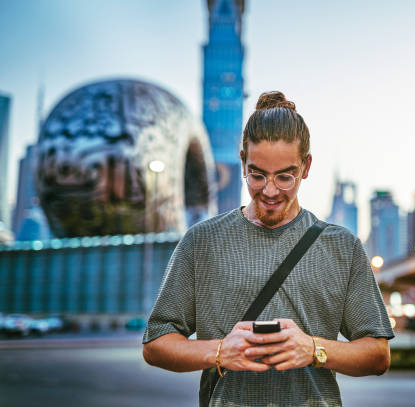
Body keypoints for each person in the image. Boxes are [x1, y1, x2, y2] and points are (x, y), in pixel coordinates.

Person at [142, 91, 394, 406]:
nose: (270, 191)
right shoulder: (201, 241)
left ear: (306, 166)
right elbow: (155, 345)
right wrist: (220, 351)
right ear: (242, 162)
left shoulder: (343, 246)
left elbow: (378, 355)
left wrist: (314, 349)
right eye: (257, 175)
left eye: (285, 177)